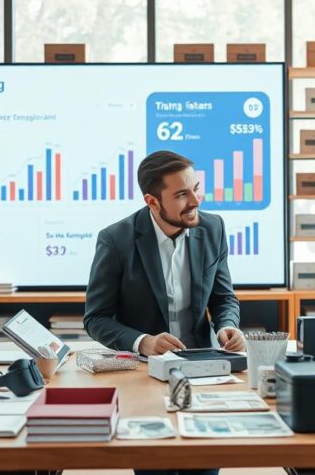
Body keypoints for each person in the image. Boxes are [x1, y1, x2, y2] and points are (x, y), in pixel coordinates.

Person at [85, 150, 243, 475]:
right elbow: (96, 317)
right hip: (143, 375)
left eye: (196, 188)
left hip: (201, 368)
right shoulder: (116, 240)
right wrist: (143, 341)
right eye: (182, 195)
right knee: (154, 467)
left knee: (202, 465)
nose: (195, 200)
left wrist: (227, 325)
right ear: (152, 201)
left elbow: (224, 298)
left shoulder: (213, 228)